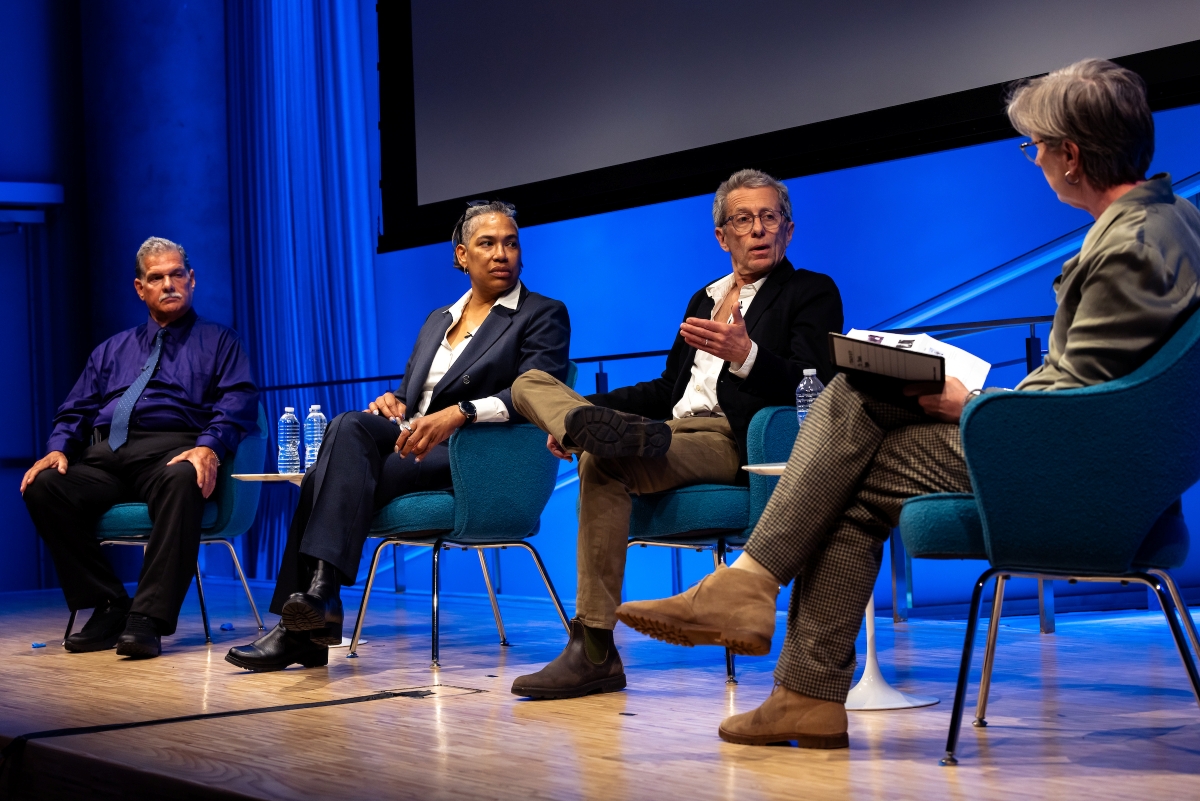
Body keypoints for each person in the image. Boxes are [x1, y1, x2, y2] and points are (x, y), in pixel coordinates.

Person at [615, 58, 1200, 748]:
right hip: (1093, 457)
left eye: (1037, 146)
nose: (1036, 159)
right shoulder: (1169, 220)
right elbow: (1090, 390)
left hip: (1076, 476)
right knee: (856, 453)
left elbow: (1072, 410)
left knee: (852, 412)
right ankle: (799, 687)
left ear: (1070, 154)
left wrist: (969, 402)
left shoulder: (1130, 247)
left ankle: (757, 598)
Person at [506, 169, 844, 699]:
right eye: (743, 219)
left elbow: (815, 379)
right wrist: (590, 410)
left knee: (602, 456)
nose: (758, 229)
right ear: (722, 236)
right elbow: (668, 389)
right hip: (668, 429)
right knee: (528, 383)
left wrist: (747, 355)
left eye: (769, 217)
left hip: (730, 438)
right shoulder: (703, 299)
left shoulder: (810, 291)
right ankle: (581, 425)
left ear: (789, 229)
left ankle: (592, 649)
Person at [226, 200, 571, 672]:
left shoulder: (542, 314)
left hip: (472, 452)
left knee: (322, 479)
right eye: (487, 243)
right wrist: (393, 402)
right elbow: (412, 398)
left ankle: (308, 619)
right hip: (411, 441)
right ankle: (318, 602)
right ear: (462, 255)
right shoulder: (438, 319)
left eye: (510, 243)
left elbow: (537, 392)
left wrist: (459, 414)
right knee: (349, 423)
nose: (501, 254)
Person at [21, 237, 259, 659]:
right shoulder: (110, 350)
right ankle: (109, 604)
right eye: (156, 277)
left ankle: (147, 618)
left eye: (176, 274)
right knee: (43, 486)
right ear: (140, 287)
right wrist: (58, 448)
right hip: (106, 458)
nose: (168, 284)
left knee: (183, 478)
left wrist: (209, 446)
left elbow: (238, 400)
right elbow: (75, 410)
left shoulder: (221, 341)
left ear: (191, 279)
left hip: (172, 452)